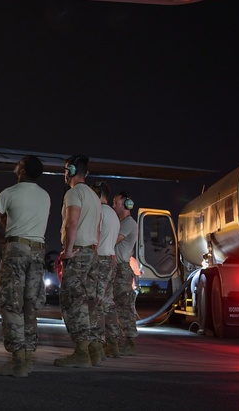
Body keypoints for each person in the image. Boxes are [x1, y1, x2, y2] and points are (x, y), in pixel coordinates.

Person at [0, 155, 50, 377]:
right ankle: (28, 357)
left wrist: (4, 239)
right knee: (31, 305)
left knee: (11, 303)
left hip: (16, 250)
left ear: (22, 170)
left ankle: (17, 360)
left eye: (19, 163)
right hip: (38, 251)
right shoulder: (45, 196)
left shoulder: (9, 193)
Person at [55, 154, 102, 368]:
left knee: (72, 301)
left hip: (78, 253)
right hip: (92, 252)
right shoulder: (93, 195)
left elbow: (71, 224)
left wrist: (67, 251)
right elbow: (98, 229)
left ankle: (81, 352)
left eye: (66, 169)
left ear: (72, 171)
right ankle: (94, 350)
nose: (64, 173)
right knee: (89, 302)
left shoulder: (74, 193)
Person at [91, 181, 121, 360]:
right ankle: (114, 345)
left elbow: (96, 237)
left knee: (96, 304)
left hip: (100, 261)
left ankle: (97, 346)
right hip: (111, 260)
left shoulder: (99, 212)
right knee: (109, 306)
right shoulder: (114, 215)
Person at [113, 190, 140, 356]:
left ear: (126, 204)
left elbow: (113, 240)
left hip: (122, 268)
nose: (113, 205)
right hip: (117, 268)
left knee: (124, 306)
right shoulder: (121, 222)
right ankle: (120, 340)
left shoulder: (128, 223)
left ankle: (130, 342)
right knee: (117, 306)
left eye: (116, 203)